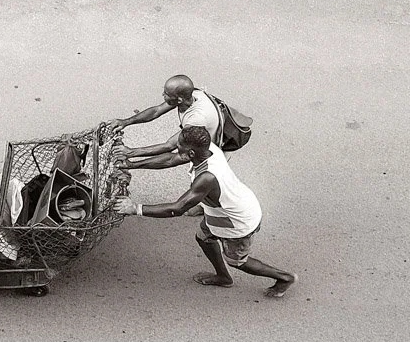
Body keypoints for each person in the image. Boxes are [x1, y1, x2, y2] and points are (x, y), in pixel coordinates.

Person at [114, 125, 296, 298]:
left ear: (191, 153)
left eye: (179, 148)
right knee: (203, 238)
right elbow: (170, 159)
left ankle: (284, 278)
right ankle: (223, 277)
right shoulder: (210, 150)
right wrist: (131, 165)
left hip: (237, 221)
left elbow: (177, 208)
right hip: (226, 209)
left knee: (237, 261)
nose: (176, 151)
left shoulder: (206, 177)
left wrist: (135, 208)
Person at [110, 74, 222, 170]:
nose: (163, 95)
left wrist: (131, 153)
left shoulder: (196, 119)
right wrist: (125, 122)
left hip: (211, 150)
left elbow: (169, 147)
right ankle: (131, 164)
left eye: (166, 94)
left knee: (184, 159)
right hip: (204, 134)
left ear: (179, 100)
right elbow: (156, 111)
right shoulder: (190, 95)